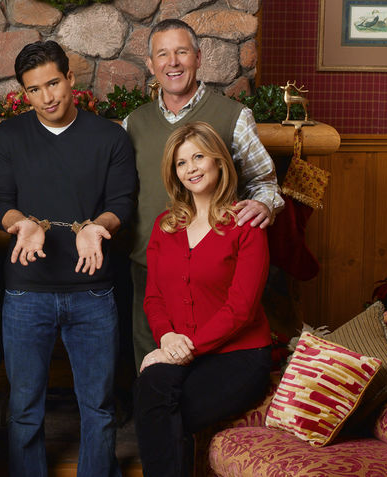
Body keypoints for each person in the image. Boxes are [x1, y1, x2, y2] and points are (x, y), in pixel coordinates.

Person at [0, 40, 136, 477]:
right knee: (24, 408)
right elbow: (1, 202)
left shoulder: (110, 136)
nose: (46, 97)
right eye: (34, 89)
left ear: (71, 79)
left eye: (53, 83)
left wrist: (98, 227)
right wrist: (21, 224)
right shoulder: (8, 136)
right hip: (26, 292)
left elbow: (121, 202)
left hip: (93, 292)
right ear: (24, 93)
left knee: (99, 406)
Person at [124, 18, 283, 372]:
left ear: (197, 57)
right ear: (150, 64)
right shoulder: (133, 123)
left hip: (216, 276)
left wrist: (263, 203)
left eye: (182, 52)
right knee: (152, 370)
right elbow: (121, 193)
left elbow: (265, 182)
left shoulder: (234, 117)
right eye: (162, 54)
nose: (173, 62)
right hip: (151, 271)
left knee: (207, 372)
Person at [133, 122, 272, 477]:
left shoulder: (246, 226)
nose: (191, 168)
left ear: (219, 163)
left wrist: (182, 350)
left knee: (162, 413)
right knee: (151, 388)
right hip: (182, 350)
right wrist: (166, 337)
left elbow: (241, 310)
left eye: (199, 157)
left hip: (239, 357)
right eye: (181, 162)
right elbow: (154, 297)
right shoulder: (165, 226)